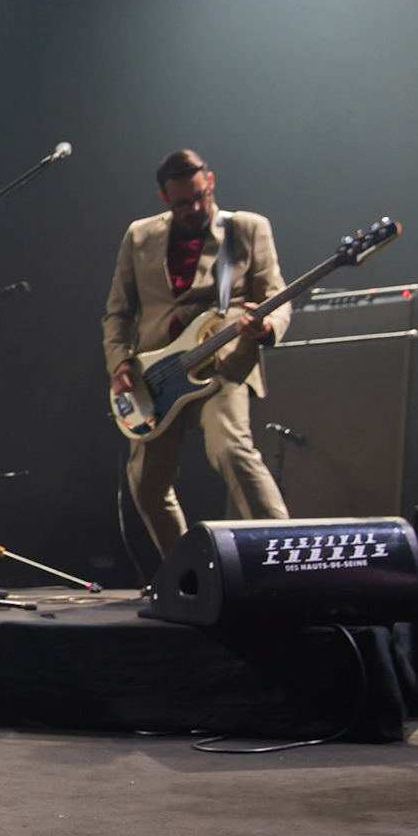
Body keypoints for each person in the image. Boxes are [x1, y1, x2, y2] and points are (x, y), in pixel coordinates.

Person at [103, 149, 290, 557]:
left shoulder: (246, 228)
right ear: (163, 198)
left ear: (211, 182)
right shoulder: (139, 236)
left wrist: (266, 326)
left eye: (200, 196)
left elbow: (277, 295)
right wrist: (120, 363)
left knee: (231, 451)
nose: (195, 207)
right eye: (182, 202)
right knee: (146, 482)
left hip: (223, 364)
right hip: (156, 375)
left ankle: (285, 555)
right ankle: (187, 570)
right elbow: (117, 313)